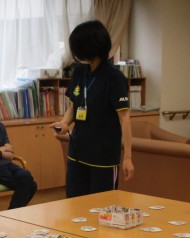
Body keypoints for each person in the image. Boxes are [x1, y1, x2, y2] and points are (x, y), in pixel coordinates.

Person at [51, 20, 134, 198]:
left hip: (103, 157)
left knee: (101, 206)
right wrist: (64, 123)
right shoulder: (79, 72)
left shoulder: (114, 77)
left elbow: (124, 118)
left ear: (90, 47)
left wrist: (127, 157)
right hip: (77, 153)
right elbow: (74, 105)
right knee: (73, 204)